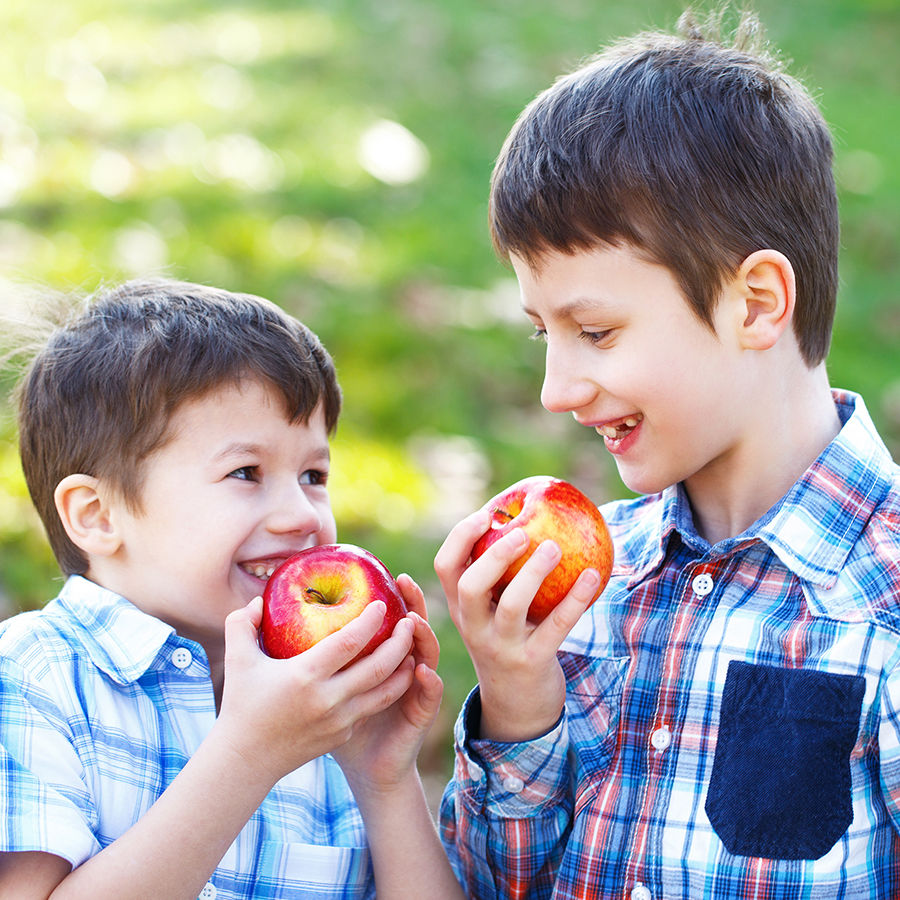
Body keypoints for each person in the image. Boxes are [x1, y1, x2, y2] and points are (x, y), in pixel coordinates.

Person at [434, 9, 900, 900]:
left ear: (757, 303)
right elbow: (497, 884)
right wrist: (517, 699)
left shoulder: (884, 599)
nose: (557, 389)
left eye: (596, 331)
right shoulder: (588, 586)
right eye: (544, 335)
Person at [0, 278, 465, 900]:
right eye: (246, 472)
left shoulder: (323, 709)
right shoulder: (31, 678)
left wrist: (383, 778)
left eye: (313, 474)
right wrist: (248, 757)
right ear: (97, 515)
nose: (301, 513)